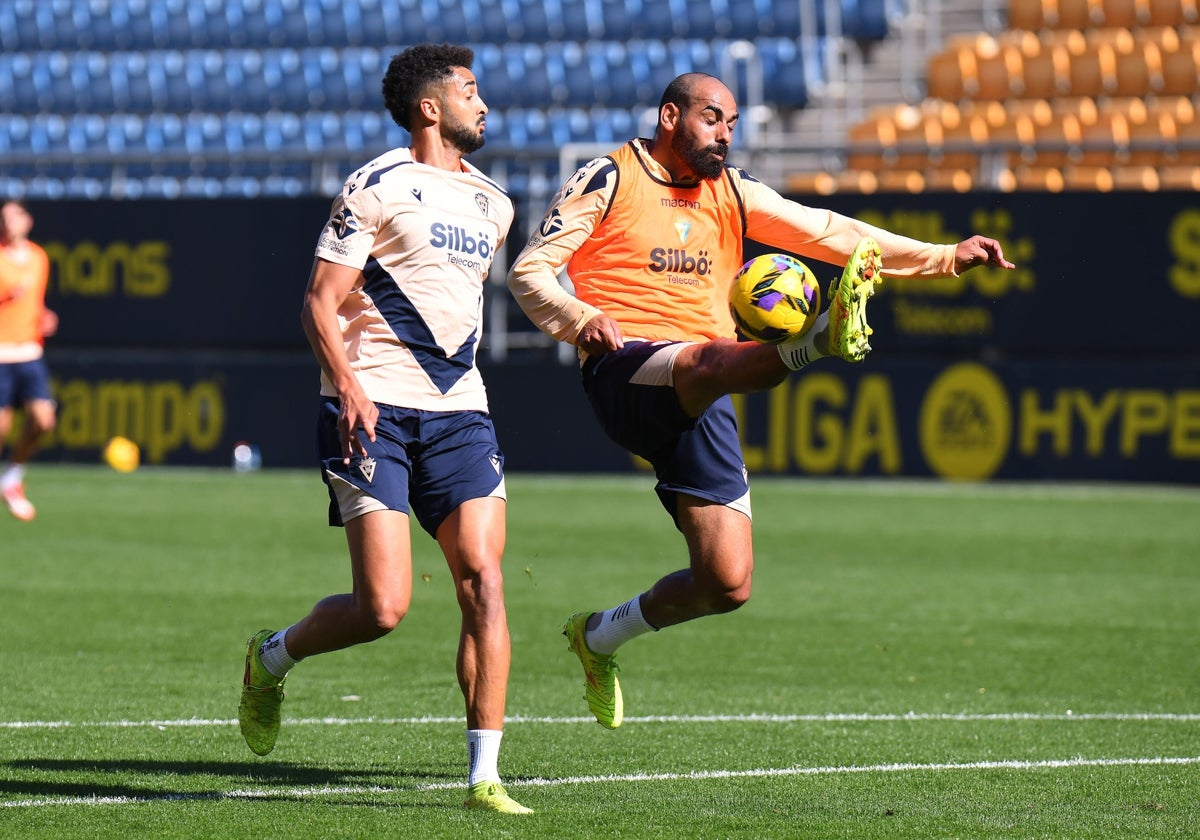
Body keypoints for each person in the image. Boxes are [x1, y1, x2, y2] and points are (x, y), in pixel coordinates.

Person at [506, 72, 1015, 730]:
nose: (725, 134)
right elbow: (528, 271)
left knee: (726, 582)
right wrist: (578, 320)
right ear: (670, 116)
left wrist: (944, 258)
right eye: (713, 119)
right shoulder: (609, 178)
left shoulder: (733, 192)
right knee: (712, 358)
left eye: (733, 124)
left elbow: (828, 232)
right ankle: (818, 342)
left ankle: (598, 638)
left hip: (705, 385)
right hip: (625, 368)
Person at [237, 44, 531, 815]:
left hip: (462, 411)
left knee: (484, 578)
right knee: (383, 609)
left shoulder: (496, 204)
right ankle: (271, 658)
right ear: (429, 107)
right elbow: (318, 302)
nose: (484, 104)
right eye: (470, 91)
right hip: (372, 408)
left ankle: (484, 778)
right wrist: (348, 384)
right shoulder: (377, 185)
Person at [0, 199, 57, 522]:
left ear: (27, 221)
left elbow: (35, 303)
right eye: (3, 218)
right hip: (1, 352)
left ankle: (12, 477)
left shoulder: (38, 257)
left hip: (29, 352)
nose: (8, 224)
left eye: (14, 217)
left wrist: (44, 316)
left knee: (44, 420)